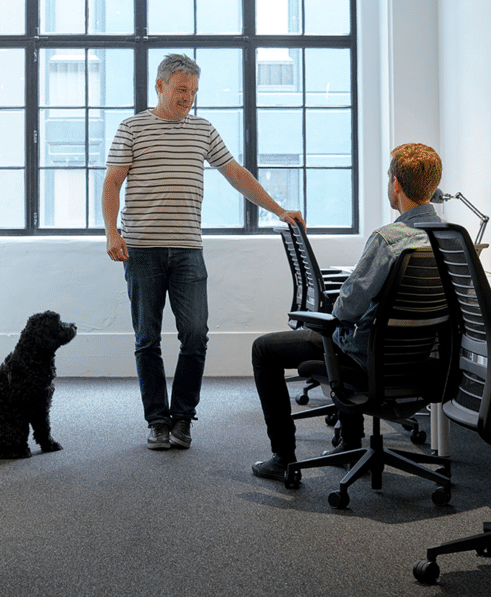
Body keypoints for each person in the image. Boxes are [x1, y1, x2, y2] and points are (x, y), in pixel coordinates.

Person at [104, 53, 302, 451]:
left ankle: (183, 417)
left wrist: (279, 209)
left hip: (189, 251)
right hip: (142, 249)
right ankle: (157, 420)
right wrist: (112, 232)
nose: (188, 98)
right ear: (159, 86)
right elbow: (112, 184)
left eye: (193, 92)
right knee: (147, 338)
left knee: (195, 335)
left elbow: (237, 175)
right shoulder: (132, 128)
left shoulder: (203, 131)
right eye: (181, 89)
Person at [249, 142, 444, 481]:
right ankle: (349, 444)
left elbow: (347, 309)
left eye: (388, 178)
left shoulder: (389, 239)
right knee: (344, 337)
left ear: (396, 184)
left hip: (369, 361)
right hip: (425, 363)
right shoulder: (455, 240)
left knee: (267, 349)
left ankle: (283, 459)